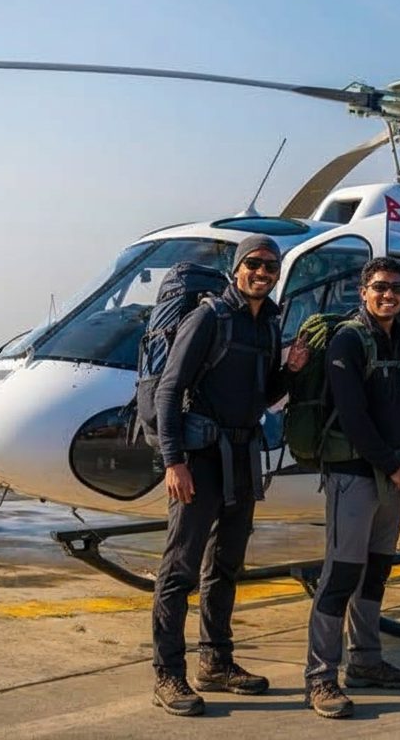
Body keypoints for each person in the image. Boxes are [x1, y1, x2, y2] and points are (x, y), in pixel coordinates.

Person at [151, 234, 306, 716]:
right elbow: (169, 390)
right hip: (199, 458)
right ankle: (167, 675)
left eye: (271, 266)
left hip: (242, 455)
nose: (262, 272)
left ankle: (216, 662)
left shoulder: (268, 324)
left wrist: (291, 371)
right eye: (254, 264)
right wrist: (174, 461)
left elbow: (261, 396)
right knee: (179, 570)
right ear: (238, 268)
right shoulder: (209, 317)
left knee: (225, 566)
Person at [304, 257, 400, 720]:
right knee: (341, 575)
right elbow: (353, 415)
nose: (388, 295)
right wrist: (393, 465)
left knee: (376, 572)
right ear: (363, 292)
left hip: (391, 474)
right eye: (380, 287)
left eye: (396, 288)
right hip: (354, 473)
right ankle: (320, 677)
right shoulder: (348, 340)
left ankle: (366, 660)